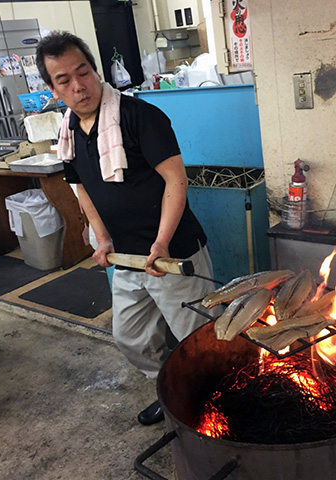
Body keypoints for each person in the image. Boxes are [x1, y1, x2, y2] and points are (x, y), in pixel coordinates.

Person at [36, 31, 215, 425]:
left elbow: (176, 180)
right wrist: (101, 239)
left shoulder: (139, 117)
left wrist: (163, 241)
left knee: (200, 341)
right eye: (64, 80)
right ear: (51, 89)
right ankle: (173, 393)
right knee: (130, 336)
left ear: (95, 71)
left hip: (173, 254)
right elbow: (81, 189)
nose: (78, 86)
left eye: (83, 72)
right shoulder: (68, 133)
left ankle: (212, 410)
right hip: (127, 257)